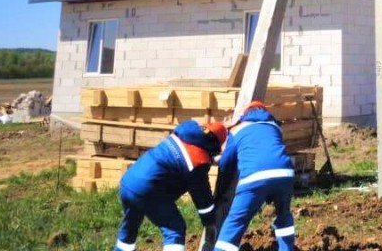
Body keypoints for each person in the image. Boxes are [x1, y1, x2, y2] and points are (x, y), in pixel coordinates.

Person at [113, 118, 227, 251]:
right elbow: (203, 199)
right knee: (175, 229)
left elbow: (180, 158)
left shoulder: (184, 133)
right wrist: (210, 223)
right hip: (149, 190)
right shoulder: (197, 161)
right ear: (215, 144)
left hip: (129, 182)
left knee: (129, 231)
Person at [213, 101, 296, 251]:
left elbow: (226, 162)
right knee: (284, 217)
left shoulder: (237, 129)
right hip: (285, 174)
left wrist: (223, 191)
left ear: (245, 114)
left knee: (235, 223)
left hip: (254, 178)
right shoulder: (274, 126)